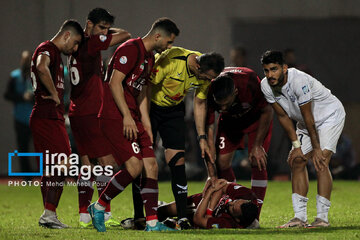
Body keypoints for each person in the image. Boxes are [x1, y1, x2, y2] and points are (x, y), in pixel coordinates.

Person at [87, 17, 179, 232]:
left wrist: (146, 123)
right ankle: (99, 206)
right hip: (115, 116)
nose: (169, 46)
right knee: (135, 167)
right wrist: (127, 117)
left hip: (133, 116)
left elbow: (142, 92)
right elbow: (114, 83)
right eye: (169, 42)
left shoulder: (149, 57)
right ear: (158, 36)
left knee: (151, 166)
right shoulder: (130, 49)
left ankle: (152, 223)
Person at [134, 48, 225, 230]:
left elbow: (199, 103)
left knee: (178, 161)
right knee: (143, 163)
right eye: (206, 77)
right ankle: (139, 217)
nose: (207, 81)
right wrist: (146, 121)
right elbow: (146, 88)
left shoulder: (204, 73)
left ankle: (182, 218)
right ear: (197, 65)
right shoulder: (172, 60)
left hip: (174, 111)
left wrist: (201, 137)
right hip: (151, 109)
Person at [260, 50, 346, 228]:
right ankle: (299, 218)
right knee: (297, 161)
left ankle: (322, 219)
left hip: (329, 117)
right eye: (266, 70)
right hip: (305, 123)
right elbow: (283, 117)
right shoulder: (265, 86)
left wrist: (316, 149)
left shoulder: (299, 80)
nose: (270, 75)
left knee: (320, 161)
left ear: (285, 68)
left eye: (274, 69)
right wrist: (296, 146)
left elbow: (309, 117)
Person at [67, 7, 131, 228]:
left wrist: (100, 30)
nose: (104, 32)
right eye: (101, 27)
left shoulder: (77, 44)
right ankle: (103, 212)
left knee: (87, 164)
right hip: (92, 112)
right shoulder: (91, 42)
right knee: (108, 163)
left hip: (76, 112)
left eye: (106, 27)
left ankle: (84, 214)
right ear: (89, 24)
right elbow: (126, 35)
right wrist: (105, 33)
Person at [30, 19, 83, 229]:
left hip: (48, 117)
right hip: (47, 116)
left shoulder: (54, 53)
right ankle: (48, 214)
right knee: (63, 164)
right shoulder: (48, 48)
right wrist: (53, 94)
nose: (75, 48)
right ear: (67, 35)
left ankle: (49, 214)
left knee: (53, 167)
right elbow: (41, 67)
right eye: (76, 42)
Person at [205, 67, 273, 217]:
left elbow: (267, 111)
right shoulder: (210, 89)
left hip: (256, 120)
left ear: (235, 92)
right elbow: (208, 122)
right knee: (222, 163)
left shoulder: (250, 83)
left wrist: (257, 145)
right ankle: (232, 204)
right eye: (219, 105)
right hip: (230, 123)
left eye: (226, 104)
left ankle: (254, 213)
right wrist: (209, 147)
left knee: (257, 160)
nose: (222, 109)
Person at [157, 178, 260, 229]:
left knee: (173, 224)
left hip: (202, 208)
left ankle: (174, 220)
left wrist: (210, 193)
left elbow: (198, 219)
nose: (230, 203)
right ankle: (164, 209)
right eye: (235, 201)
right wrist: (209, 212)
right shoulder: (247, 195)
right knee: (161, 211)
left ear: (237, 219)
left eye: (232, 209)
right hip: (203, 202)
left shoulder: (229, 224)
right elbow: (222, 185)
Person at [4, 50, 34, 174]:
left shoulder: (37, 75)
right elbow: (7, 95)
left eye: (28, 60)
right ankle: (26, 176)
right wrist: (22, 97)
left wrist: (33, 98)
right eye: (24, 59)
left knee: (44, 148)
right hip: (20, 118)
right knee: (23, 148)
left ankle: (48, 175)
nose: (26, 62)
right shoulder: (15, 76)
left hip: (36, 117)